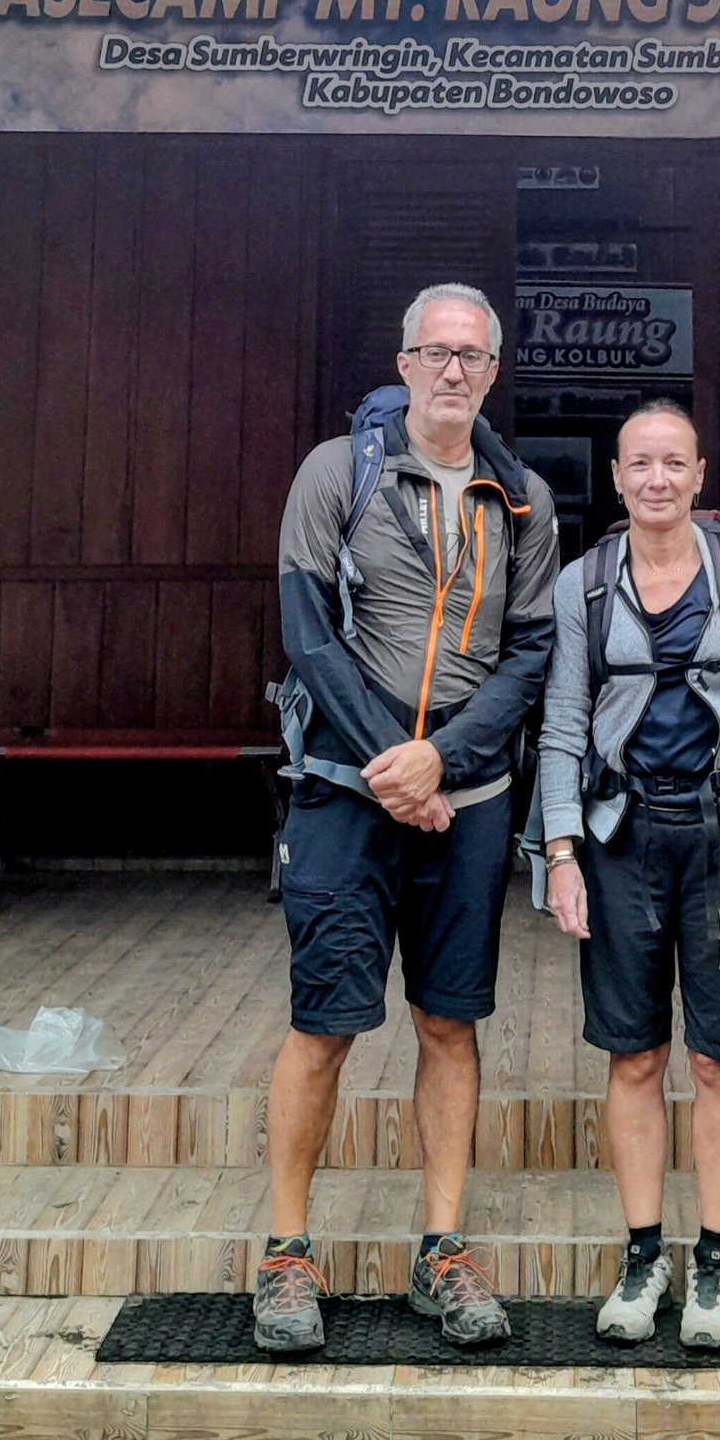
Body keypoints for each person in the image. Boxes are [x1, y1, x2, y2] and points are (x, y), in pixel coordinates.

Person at [258, 284, 559, 1353]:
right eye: (435, 353)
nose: (452, 372)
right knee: (324, 1023)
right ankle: (286, 1253)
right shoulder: (334, 472)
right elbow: (307, 630)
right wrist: (396, 763)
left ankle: (442, 1248)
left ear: (492, 372)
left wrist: (445, 761)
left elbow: (530, 654)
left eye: (471, 357)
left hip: (466, 802)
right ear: (402, 363)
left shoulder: (521, 496)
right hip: (344, 795)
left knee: (448, 1022)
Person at [538, 401, 720, 1348]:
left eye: (673, 463)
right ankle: (644, 1254)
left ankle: (714, 1268)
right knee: (635, 1053)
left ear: (699, 474)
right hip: (620, 839)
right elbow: (563, 725)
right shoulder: (583, 585)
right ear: (616, 477)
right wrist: (559, 855)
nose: (656, 478)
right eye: (639, 463)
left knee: (717, 1057)